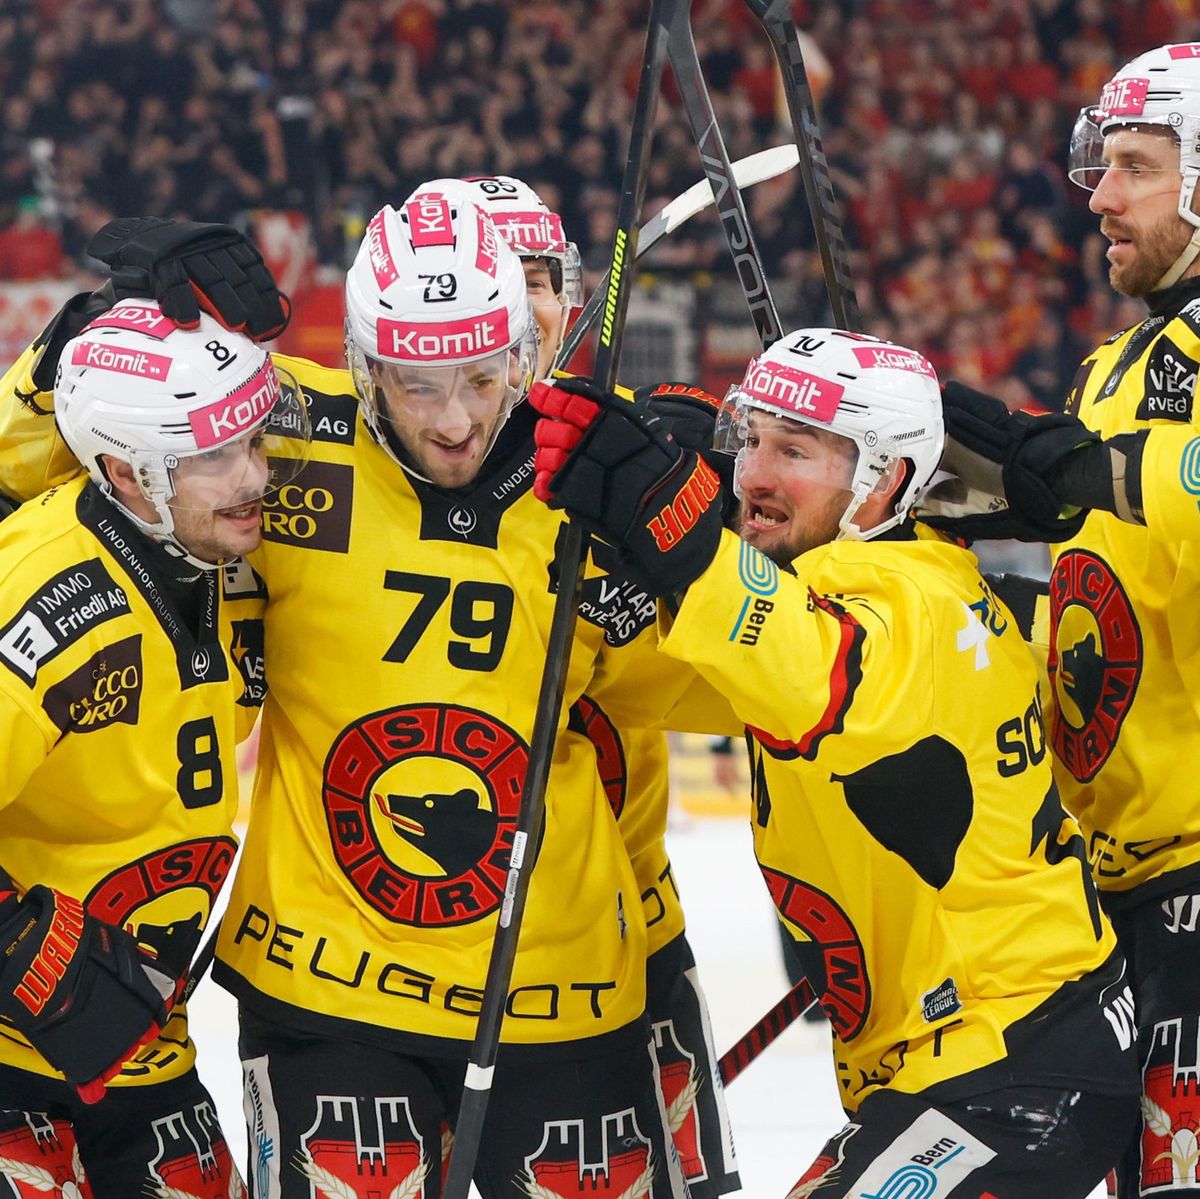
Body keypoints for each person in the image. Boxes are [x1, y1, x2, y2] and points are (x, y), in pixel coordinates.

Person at [527, 328, 1141, 1198]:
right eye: (751, 441)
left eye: (796, 449)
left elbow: (811, 673)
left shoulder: (911, 597)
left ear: (885, 478)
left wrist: (666, 516)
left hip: (1019, 1070)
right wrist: (615, 572)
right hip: (952, 1073)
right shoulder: (849, 584)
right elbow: (667, 687)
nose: (753, 474)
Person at [917, 43, 1200, 1198]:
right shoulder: (1112, 366)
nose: (1100, 194)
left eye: (1134, 164)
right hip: (1109, 888)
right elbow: (1111, 593)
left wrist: (1067, 467)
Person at [463, 172, 741, 1198]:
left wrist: (690, 523)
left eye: (540, 275)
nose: (523, 300)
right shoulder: (373, 458)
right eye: (497, 274)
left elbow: (720, 677)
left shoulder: (627, 451)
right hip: (434, 937)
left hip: (629, 922)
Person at [0, 301, 308, 1197]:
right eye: (213, 456)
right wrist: (20, 942)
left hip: (143, 1051)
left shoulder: (234, 556)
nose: (254, 476)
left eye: (253, 440)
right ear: (123, 473)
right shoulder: (41, 598)